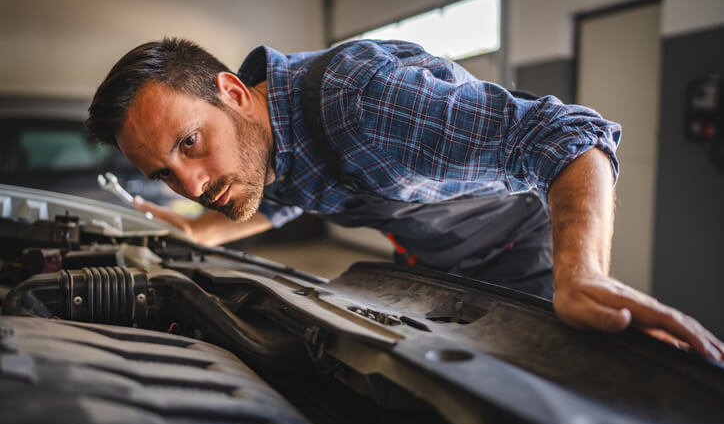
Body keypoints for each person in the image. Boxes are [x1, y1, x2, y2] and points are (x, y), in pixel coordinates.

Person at [86, 37, 723, 361]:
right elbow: (288, 192)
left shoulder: (364, 102)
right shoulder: (261, 139)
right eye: (164, 173)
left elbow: (568, 133)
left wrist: (579, 271)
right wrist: (202, 231)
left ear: (231, 90)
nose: (192, 184)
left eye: (190, 143)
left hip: (522, 256)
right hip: (434, 268)